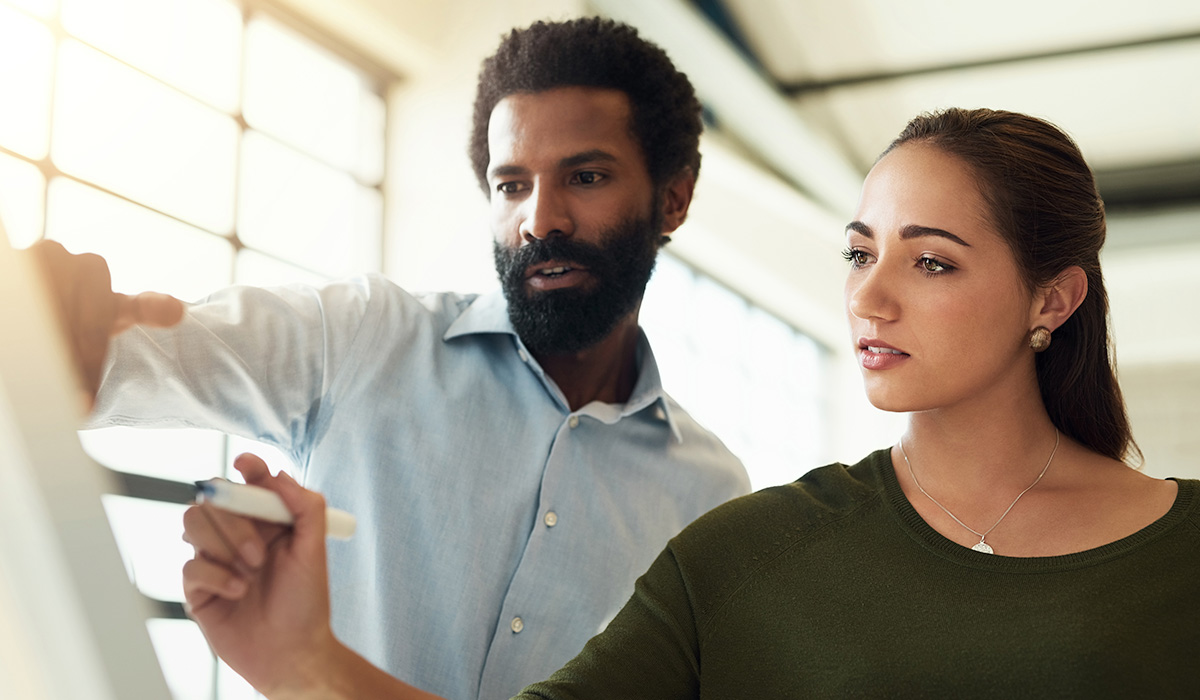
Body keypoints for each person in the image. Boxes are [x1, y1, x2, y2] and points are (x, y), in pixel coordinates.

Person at [181, 107, 1199, 698]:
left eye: (930, 260)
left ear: (1052, 297)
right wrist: (303, 658)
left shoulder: (1181, 550)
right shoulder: (745, 553)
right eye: (858, 252)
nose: (870, 294)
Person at [33, 17, 750, 700]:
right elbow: (112, 360)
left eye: (586, 177)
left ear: (673, 198)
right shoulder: (363, 338)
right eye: (512, 185)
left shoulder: (712, 499)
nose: (541, 220)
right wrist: (50, 326)